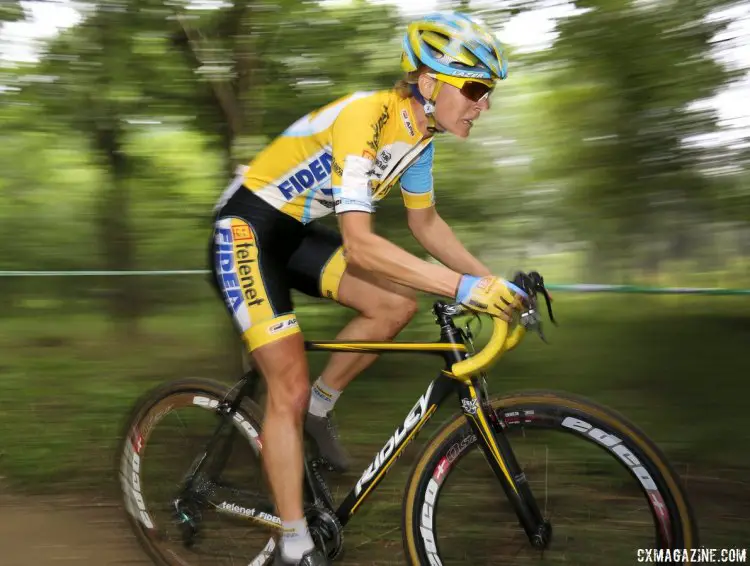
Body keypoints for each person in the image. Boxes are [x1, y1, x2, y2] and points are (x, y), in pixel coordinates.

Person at [209, 11, 528, 566]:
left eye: (489, 92)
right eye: (476, 89)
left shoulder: (419, 141)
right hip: (246, 228)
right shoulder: (367, 115)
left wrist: (492, 284)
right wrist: (464, 288)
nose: (484, 104)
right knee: (287, 382)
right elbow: (360, 245)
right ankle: (292, 543)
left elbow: (427, 226)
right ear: (429, 83)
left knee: (394, 306)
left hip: (295, 233)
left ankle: (319, 409)